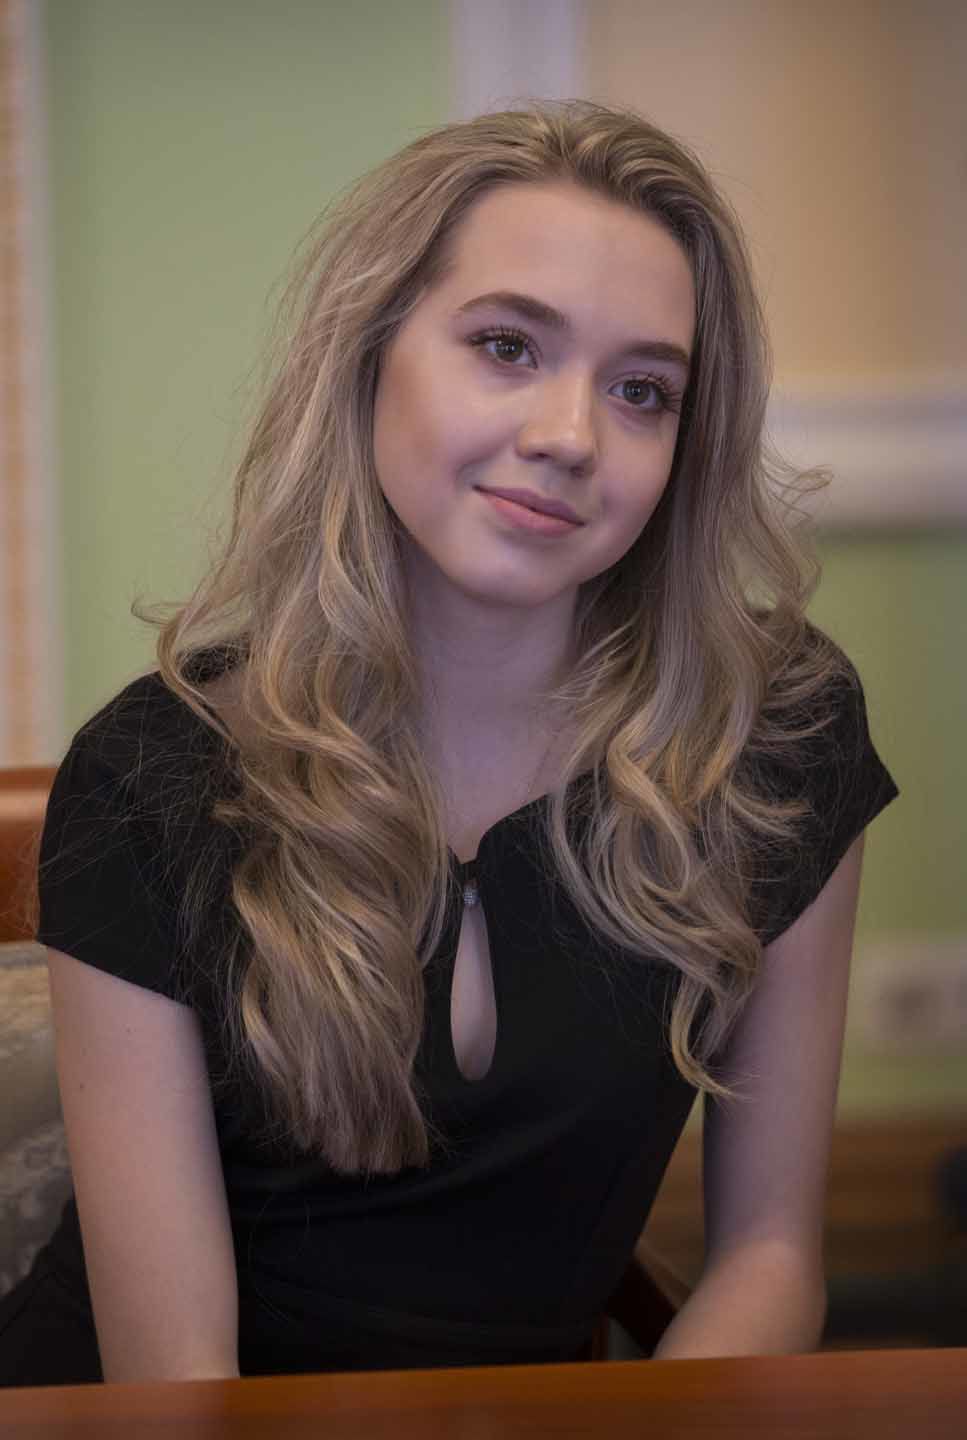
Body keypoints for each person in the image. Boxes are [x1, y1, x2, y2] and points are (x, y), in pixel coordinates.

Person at [0, 99, 898, 1386]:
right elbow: (175, 1372)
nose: (569, 436)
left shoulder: (775, 737)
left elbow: (769, 1257)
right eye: (505, 346)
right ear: (370, 355)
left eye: (641, 390)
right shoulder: (150, 780)